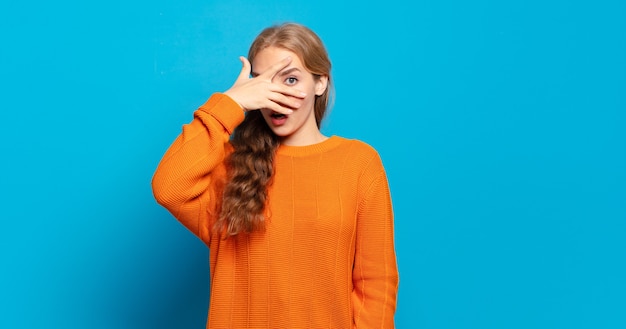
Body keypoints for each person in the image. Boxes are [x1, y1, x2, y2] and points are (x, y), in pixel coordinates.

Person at [152, 22, 399, 328]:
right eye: (265, 83)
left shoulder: (359, 163)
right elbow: (168, 187)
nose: (277, 95)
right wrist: (232, 103)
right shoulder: (229, 167)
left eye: (291, 79)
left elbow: (376, 284)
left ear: (320, 83)